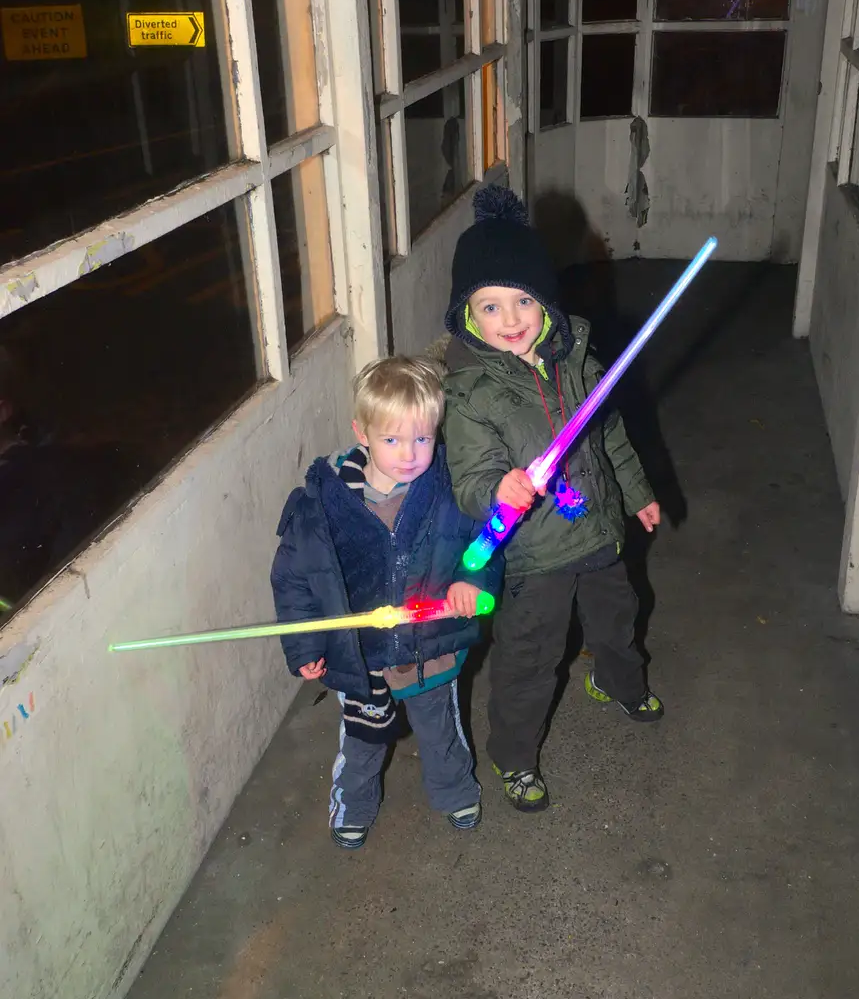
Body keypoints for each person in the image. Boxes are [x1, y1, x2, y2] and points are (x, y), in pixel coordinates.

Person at [442, 186, 663, 815]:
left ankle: (616, 682)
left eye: (522, 301)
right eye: (490, 306)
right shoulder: (471, 396)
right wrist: (497, 487)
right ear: (467, 315)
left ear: (547, 304)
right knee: (529, 661)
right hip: (533, 557)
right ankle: (514, 759)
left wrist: (638, 492)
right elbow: (468, 477)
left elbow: (609, 433)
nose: (509, 319)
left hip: (597, 530)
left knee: (618, 620)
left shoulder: (577, 361)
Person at [271, 356, 500, 851]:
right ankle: (353, 805)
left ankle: (456, 792)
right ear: (362, 432)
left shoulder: (448, 491)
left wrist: (470, 579)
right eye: (392, 439)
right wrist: (306, 644)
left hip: (429, 647)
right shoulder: (324, 506)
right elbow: (296, 581)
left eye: (422, 438)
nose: (410, 454)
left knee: (440, 727)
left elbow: (486, 540)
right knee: (362, 740)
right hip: (362, 655)